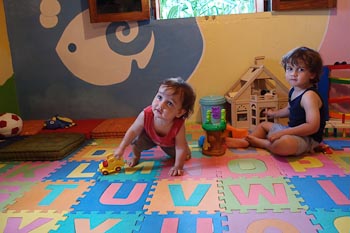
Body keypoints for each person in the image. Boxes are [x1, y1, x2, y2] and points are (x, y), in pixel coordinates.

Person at [225, 46, 326, 156]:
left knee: (284, 144)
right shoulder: (294, 90)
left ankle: (264, 144)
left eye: (300, 69)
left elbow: (312, 126)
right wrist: (273, 114)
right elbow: (290, 109)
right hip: (291, 130)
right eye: (290, 68)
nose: (294, 73)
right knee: (263, 125)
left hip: (308, 138)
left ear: (312, 74)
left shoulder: (309, 96)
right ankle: (245, 141)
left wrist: (282, 133)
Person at [113, 77, 196, 176]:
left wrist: (178, 166)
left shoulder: (178, 125)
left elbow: (179, 147)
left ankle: (187, 149)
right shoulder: (146, 114)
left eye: (169, 103)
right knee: (135, 142)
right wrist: (121, 148)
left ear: (179, 112)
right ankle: (135, 157)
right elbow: (133, 131)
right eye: (159, 97)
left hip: (169, 143)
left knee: (184, 154)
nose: (160, 105)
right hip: (149, 137)